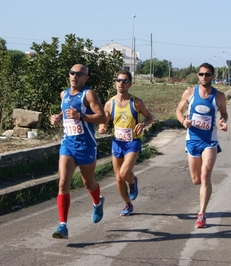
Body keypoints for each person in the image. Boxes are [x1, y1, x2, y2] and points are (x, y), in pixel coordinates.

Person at [50, 64, 107, 239]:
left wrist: (81, 116)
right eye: (72, 72)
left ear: (85, 78)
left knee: (88, 184)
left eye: (79, 74)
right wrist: (59, 116)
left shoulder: (88, 94)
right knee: (62, 183)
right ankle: (63, 226)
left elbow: (102, 117)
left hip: (86, 146)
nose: (74, 76)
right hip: (68, 144)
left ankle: (97, 202)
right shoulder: (64, 93)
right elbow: (66, 109)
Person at [175, 63, 228, 228]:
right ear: (198, 75)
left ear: (213, 76)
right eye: (201, 74)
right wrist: (183, 120)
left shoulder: (219, 96)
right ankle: (202, 209)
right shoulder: (190, 93)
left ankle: (202, 213)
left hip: (210, 141)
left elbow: (224, 113)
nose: (204, 77)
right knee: (196, 179)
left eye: (207, 74)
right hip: (192, 140)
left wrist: (223, 121)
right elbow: (178, 110)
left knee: (205, 176)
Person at [98, 70, 153, 216]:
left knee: (124, 173)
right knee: (118, 178)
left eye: (124, 81)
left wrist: (143, 124)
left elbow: (149, 117)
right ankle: (128, 204)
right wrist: (102, 126)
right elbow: (105, 120)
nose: (121, 84)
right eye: (118, 80)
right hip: (117, 143)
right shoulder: (110, 104)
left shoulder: (136, 103)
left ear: (130, 84)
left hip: (132, 142)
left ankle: (133, 182)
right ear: (115, 83)